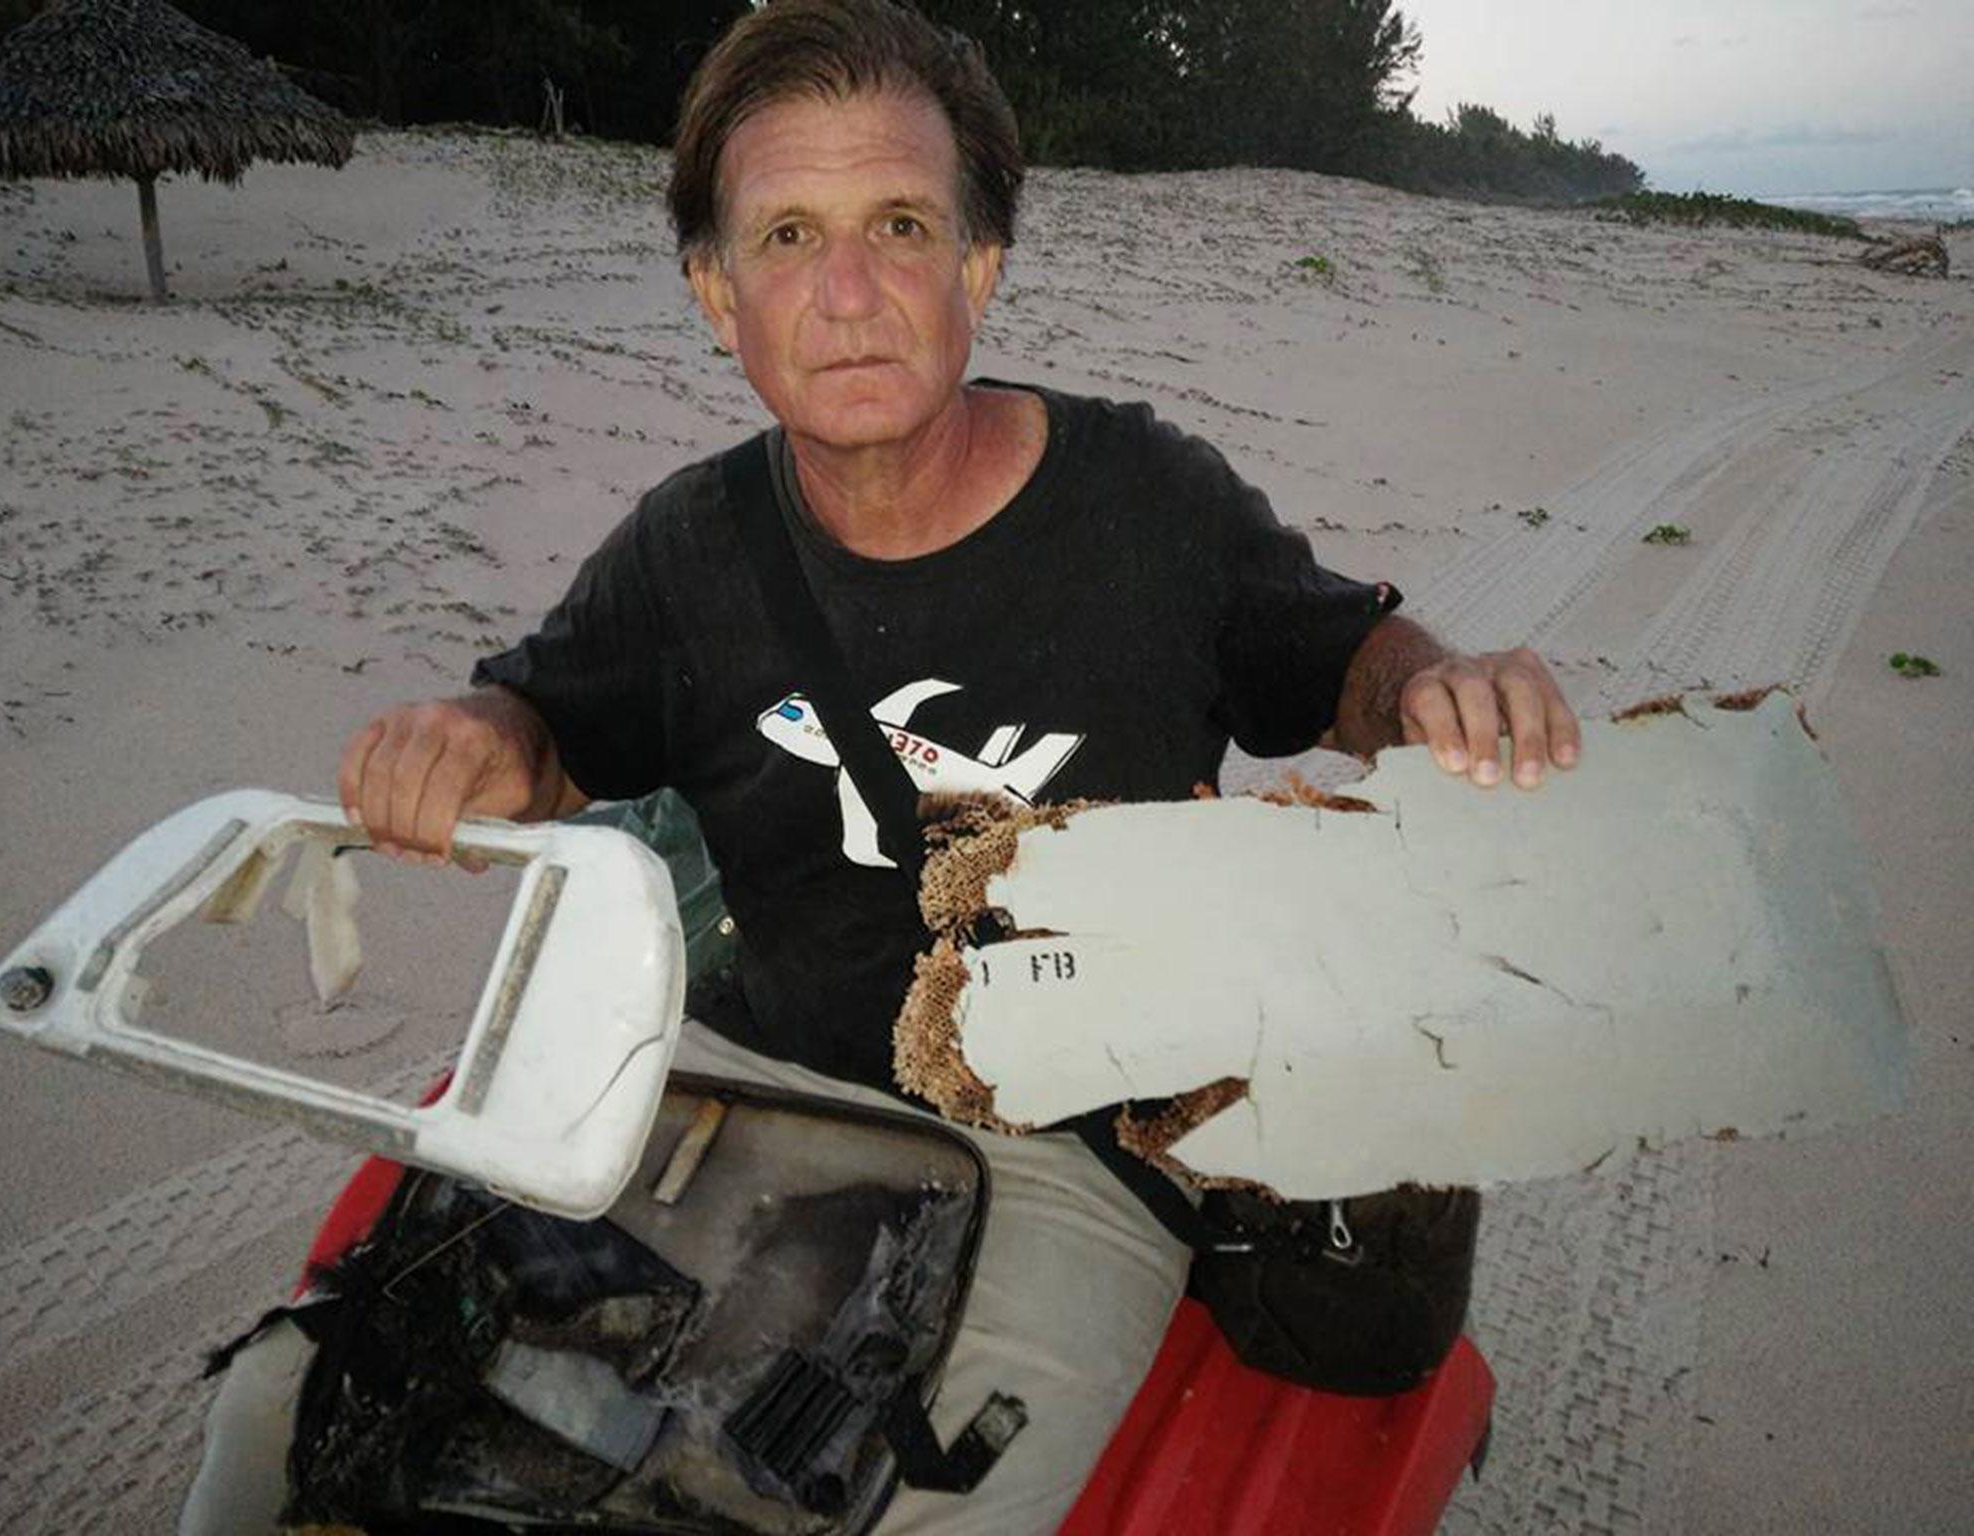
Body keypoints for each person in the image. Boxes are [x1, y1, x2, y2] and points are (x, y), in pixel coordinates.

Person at [186, 2, 1580, 1531]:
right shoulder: (688, 545)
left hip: (1061, 1151)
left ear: (977, 265)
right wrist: (469, 743)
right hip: (727, 1066)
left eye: (900, 225)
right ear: (719, 294)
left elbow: (1341, 657)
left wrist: (1443, 687)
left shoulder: (1152, 506)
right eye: (786, 235)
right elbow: (543, 727)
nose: (846, 293)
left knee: (926, 1507)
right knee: (286, 1412)